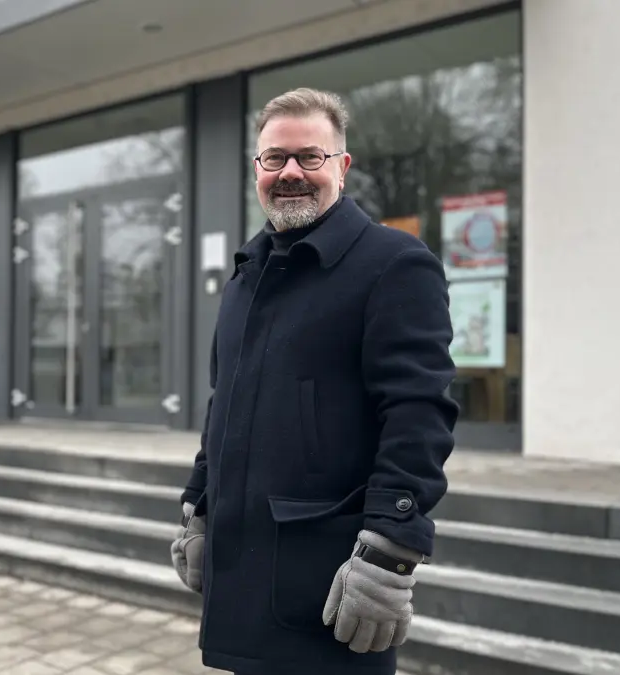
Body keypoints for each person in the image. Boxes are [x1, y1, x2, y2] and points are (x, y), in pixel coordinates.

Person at [169, 87, 458, 675]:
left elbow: (418, 413)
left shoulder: (394, 265)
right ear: (258, 169)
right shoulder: (246, 277)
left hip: (331, 586)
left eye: (311, 156)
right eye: (275, 158)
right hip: (241, 578)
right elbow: (223, 404)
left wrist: (390, 550)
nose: (291, 172)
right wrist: (197, 503)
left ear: (342, 167)